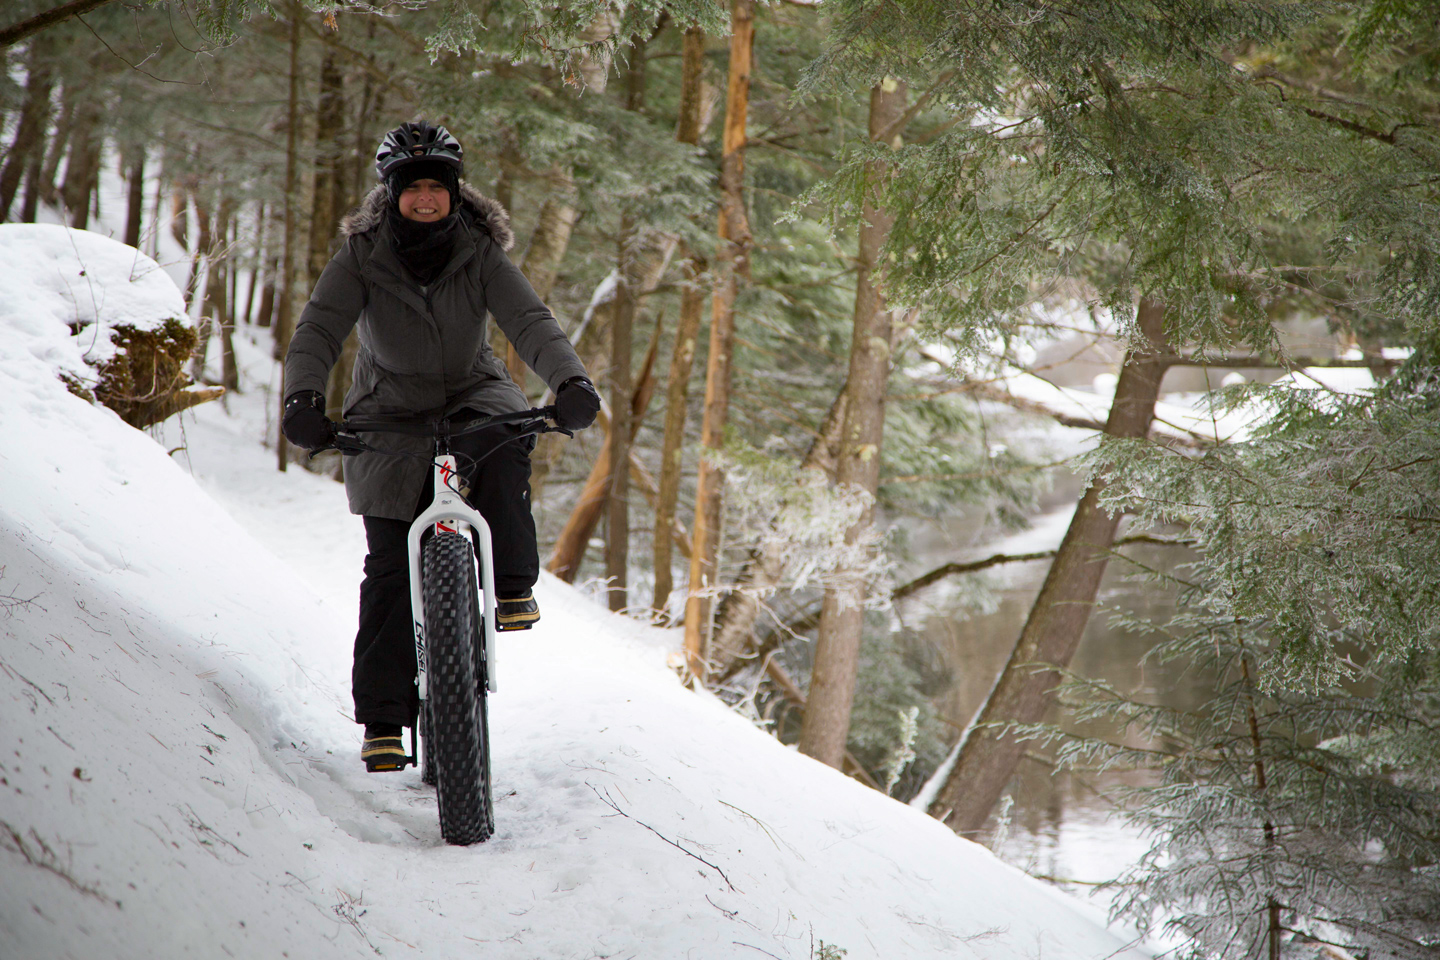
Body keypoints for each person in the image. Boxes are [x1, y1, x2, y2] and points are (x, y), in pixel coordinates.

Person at [281, 120, 601, 771]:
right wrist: (302, 399)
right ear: (391, 194)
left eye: (436, 187)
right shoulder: (361, 254)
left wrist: (570, 381)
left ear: (454, 193)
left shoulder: (478, 250)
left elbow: (528, 320)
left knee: (507, 439)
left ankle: (512, 582)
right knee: (390, 567)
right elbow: (319, 328)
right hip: (387, 407)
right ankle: (383, 722)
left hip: (472, 391)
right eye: (412, 188)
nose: (425, 199)